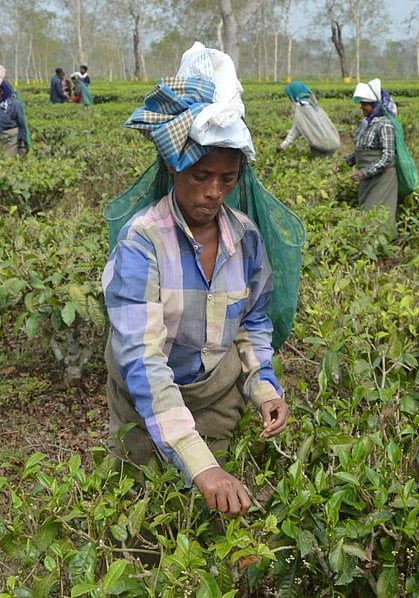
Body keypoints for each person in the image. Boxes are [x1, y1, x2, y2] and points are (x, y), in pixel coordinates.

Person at [103, 43, 290, 518]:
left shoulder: (245, 237)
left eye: (227, 179)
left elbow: (252, 324)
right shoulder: (141, 242)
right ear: (172, 167)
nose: (213, 192)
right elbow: (142, 360)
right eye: (201, 175)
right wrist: (197, 463)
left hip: (216, 399)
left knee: (212, 521)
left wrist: (264, 388)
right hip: (146, 409)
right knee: (145, 519)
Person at [335, 78, 398, 233]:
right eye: (361, 104)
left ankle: (383, 251)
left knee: (378, 215)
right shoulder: (367, 124)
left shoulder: (384, 124)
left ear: (375, 105)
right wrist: (344, 162)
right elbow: (362, 151)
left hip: (383, 178)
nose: (362, 107)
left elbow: (388, 156)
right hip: (367, 178)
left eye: (366, 104)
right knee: (366, 214)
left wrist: (364, 173)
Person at [276, 81, 340, 158]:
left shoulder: (300, 107)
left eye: (289, 95)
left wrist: (282, 146)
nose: (289, 98)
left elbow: (296, 130)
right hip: (333, 141)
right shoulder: (312, 104)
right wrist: (287, 132)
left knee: (320, 164)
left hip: (321, 145)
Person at [0, 77, 29, 158]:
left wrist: (22, 145)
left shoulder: (14, 104)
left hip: (12, 139)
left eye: (0, 91)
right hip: (2, 139)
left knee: (9, 160)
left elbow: (22, 125)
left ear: (5, 90)